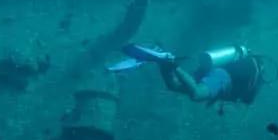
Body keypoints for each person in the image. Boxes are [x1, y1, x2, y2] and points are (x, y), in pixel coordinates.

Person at [108, 44, 264, 105]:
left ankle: (164, 61)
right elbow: (247, 100)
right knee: (196, 94)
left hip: (214, 73)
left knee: (173, 85)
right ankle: (171, 63)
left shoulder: (248, 68)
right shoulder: (254, 80)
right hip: (222, 78)